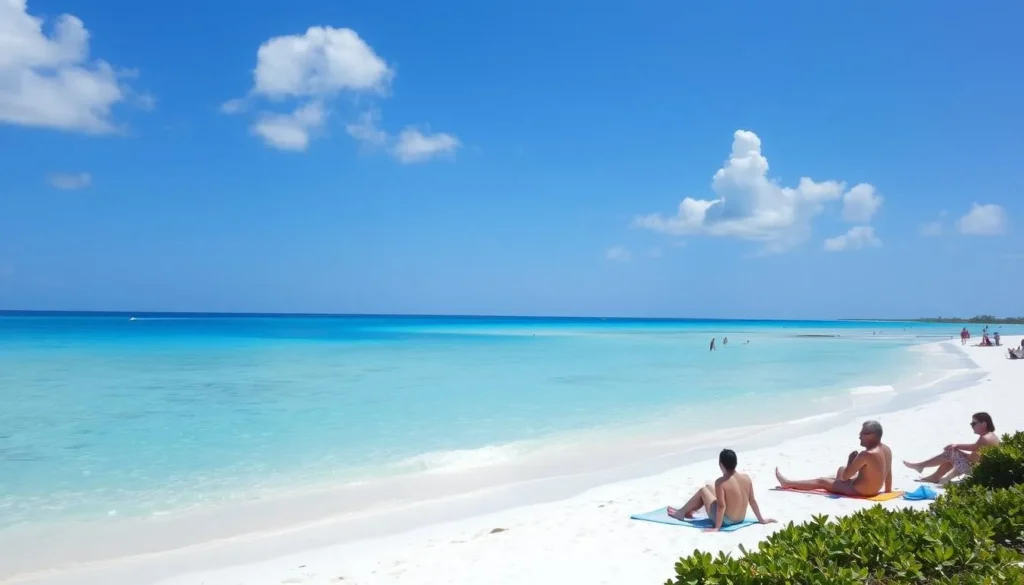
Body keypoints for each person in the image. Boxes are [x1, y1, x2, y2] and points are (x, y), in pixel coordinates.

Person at [775, 421, 892, 497]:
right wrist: (887, 491)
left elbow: (846, 477)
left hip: (861, 490)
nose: (859, 436)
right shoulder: (886, 449)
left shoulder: (866, 454)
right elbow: (888, 472)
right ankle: (836, 485)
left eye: (862, 434)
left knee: (822, 481)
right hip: (874, 488)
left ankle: (787, 483)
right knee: (841, 469)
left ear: (871, 436)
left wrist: (850, 460)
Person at [667, 449, 775, 532]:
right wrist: (761, 520)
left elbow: (721, 506)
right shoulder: (746, 478)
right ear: (735, 463)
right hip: (740, 518)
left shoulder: (721, 482)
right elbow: (752, 501)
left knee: (703, 490)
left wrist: (717, 527)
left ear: (721, 464)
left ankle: (681, 513)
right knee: (709, 487)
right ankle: (688, 511)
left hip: (727, 521)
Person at [903, 412, 999, 483]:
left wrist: (956, 446)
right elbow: (975, 454)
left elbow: (973, 450)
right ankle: (933, 475)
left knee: (951, 452)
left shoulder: (985, 439)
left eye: (974, 423)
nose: (972, 426)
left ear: (984, 424)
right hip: (976, 466)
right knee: (952, 454)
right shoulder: (991, 436)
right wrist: (957, 450)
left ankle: (922, 466)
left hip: (974, 470)